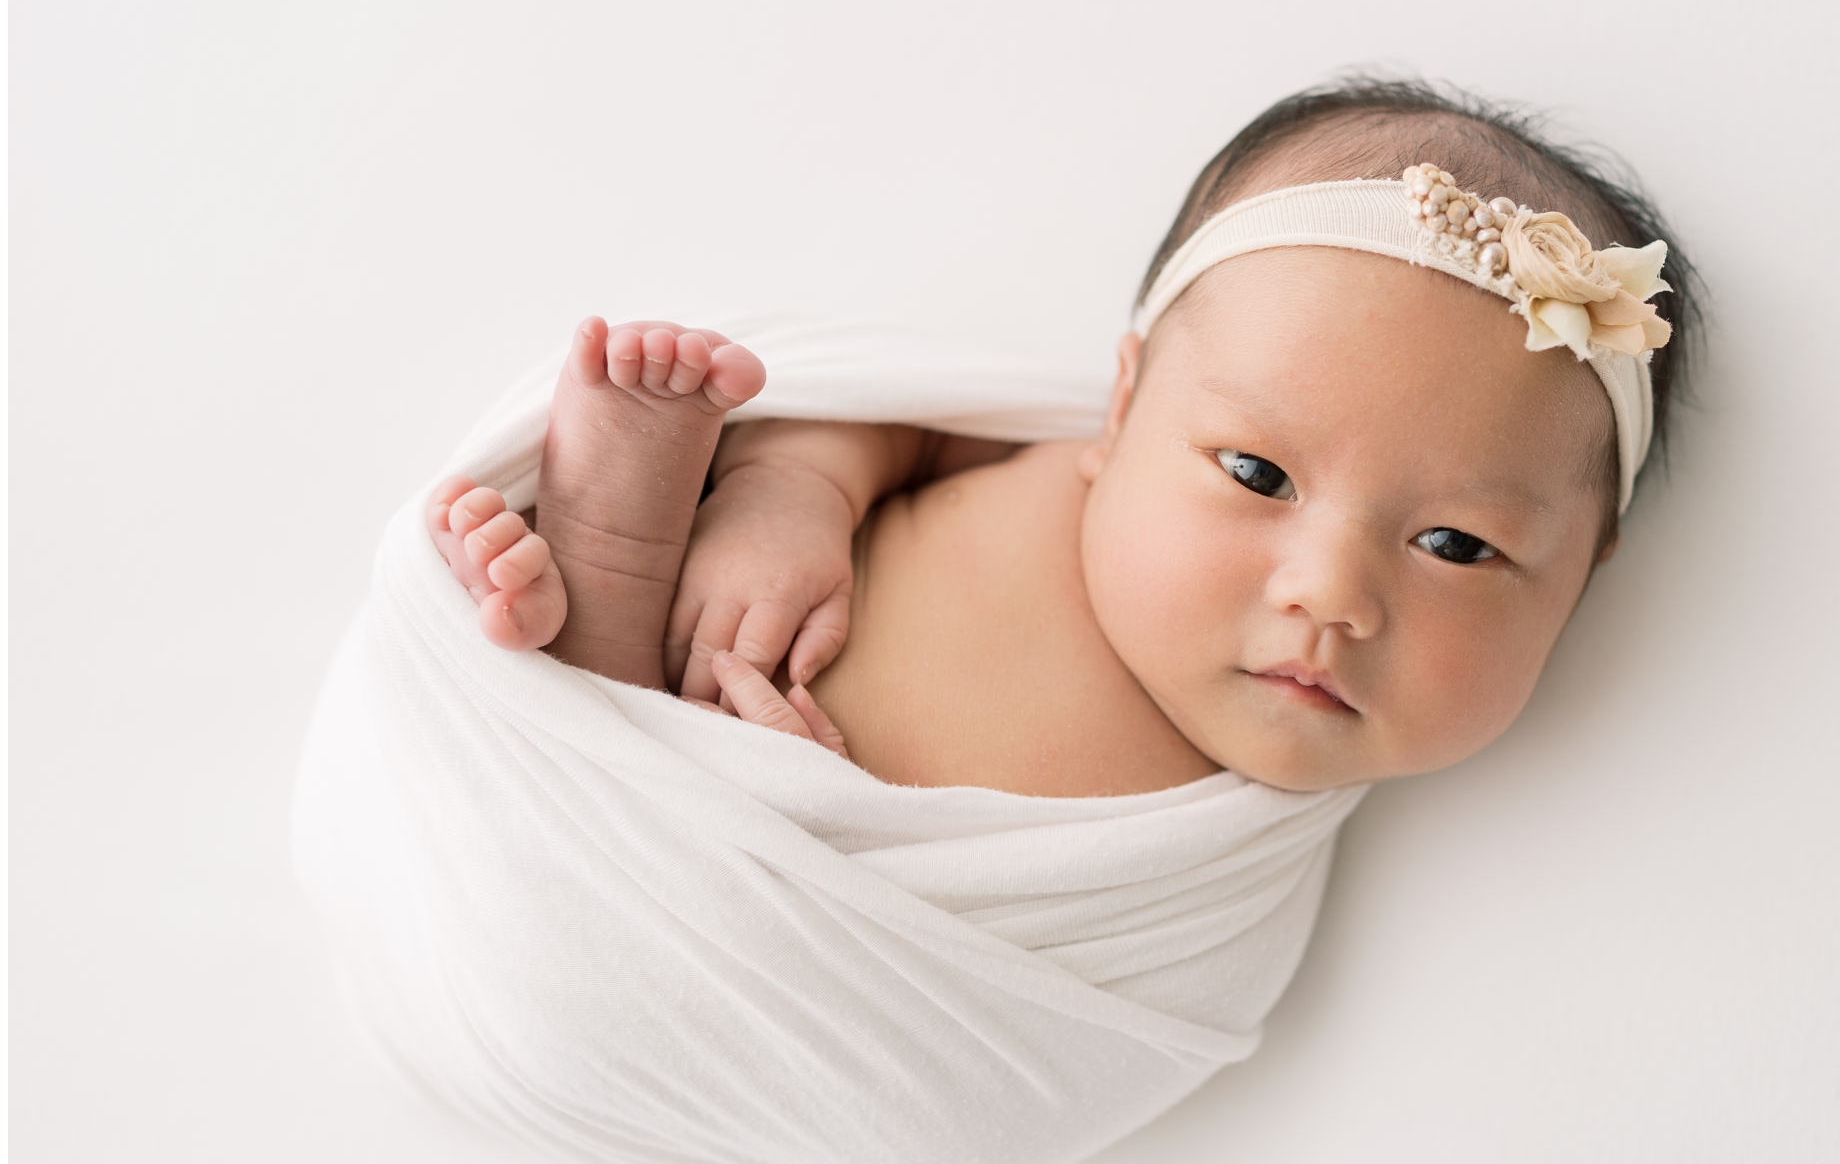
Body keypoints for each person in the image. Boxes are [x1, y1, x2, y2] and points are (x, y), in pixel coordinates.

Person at [423, 77, 1694, 798]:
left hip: (767, 880)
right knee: (612, 669)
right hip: (667, 684)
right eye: (1256, 474)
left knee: (633, 761)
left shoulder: (1212, 866)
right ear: (1124, 405)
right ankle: (613, 526)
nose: (1329, 596)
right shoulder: (1033, 472)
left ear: (1583, 574)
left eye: (1455, 544)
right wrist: (794, 491)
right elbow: (902, 434)